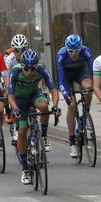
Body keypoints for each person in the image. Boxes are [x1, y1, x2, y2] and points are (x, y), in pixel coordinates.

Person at [8, 50, 60, 184]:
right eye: (27, 69)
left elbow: (53, 90)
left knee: (44, 107)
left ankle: (43, 135)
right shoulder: (15, 72)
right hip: (20, 101)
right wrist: (16, 110)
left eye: (33, 69)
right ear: (22, 65)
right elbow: (10, 96)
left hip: (34, 95)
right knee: (22, 131)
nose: (30, 72)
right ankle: (25, 169)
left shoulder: (42, 69)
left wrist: (55, 106)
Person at [57, 34, 94, 158]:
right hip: (67, 78)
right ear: (67, 49)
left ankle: (85, 114)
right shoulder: (61, 55)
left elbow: (93, 71)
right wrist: (66, 95)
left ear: (81, 47)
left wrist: (95, 87)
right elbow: (61, 80)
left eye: (77, 50)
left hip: (80, 73)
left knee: (89, 88)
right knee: (72, 105)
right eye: (71, 51)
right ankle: (72, 142)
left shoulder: (86, 51)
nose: (74, 53)